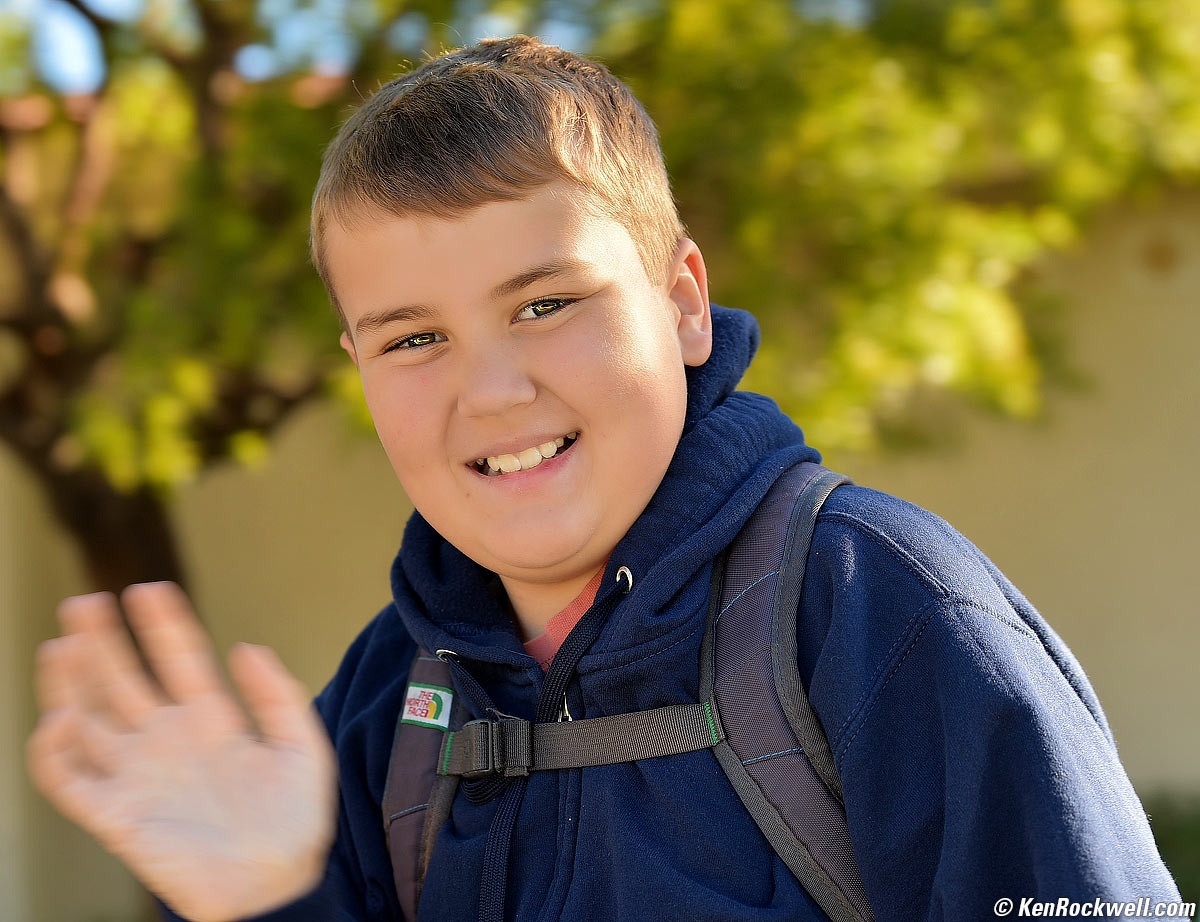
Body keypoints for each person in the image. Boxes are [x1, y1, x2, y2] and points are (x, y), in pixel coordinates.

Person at [27, 34, 1184, 922]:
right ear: (358, 371)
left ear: (682, 300)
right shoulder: (393, 700)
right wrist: (269, 895)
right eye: (413, 338)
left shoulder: (879, 609)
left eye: (546, 304)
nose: (491, 392)